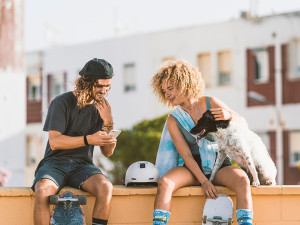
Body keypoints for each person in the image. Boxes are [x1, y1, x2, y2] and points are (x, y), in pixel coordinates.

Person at [151, 60, 253, 225]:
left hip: (219, 164)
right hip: (191, 167)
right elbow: (186, 155)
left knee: (243, 180)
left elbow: (243, 123)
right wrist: (204, 181)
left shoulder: (210, 102)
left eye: (170, 88)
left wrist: (228, 117)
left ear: (184, 83)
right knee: (165, 183)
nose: (167, 94)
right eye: (164, 91)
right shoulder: (173, 120)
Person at [32, 58, 117, 225]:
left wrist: (109, 123)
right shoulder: (61, 102)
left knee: (106, 187)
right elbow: (55, 142)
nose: (104, 91)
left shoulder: (102, 109)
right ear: (85, 82)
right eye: (99, 86)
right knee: (42, 191)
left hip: (83, 166)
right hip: (55, 163)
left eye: (107, 86)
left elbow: (107, 152)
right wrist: (89, 139)